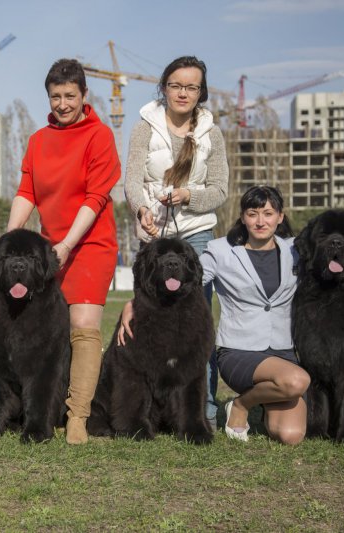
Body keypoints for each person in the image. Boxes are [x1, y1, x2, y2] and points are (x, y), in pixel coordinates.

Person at [120, 186, 309, 444]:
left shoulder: (295, 251)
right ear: (242, 217)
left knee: (290, 435)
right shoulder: (221, 251)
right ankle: (241, 406)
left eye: (268, 213)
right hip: (242, 351)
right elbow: (185, 279)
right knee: (297, 380)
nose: (260, 221)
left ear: (281, 216)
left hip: (283, 351)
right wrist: (133, 304)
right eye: (253, 214)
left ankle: (264, 399)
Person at [7, 58, 121, 445]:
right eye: (55, 96)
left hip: (89, 244)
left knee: (83, 327)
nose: (62, 103)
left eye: (70, 95)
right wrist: (11, 235)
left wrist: (69, 244)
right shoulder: (38, 140)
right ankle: (46, 408)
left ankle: (78, 417)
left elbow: (96, 196)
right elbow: (27, 192)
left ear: (84, 94)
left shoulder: (99, 135)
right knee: (48, 332)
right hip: (49, 248)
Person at [123, 56, 228, 429]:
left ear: (201, 92)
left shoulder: (211, 132)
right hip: (155, 236)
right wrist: (141, 210)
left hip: (197, 235)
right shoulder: (143, 127)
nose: (183, 93)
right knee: (150, 322)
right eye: (176, 85)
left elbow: (220, 189)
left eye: (192, 87)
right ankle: (151, 406)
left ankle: (205, 410)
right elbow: (132, 179)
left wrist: (189, 196)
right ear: (164, 88)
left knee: (196, 326)